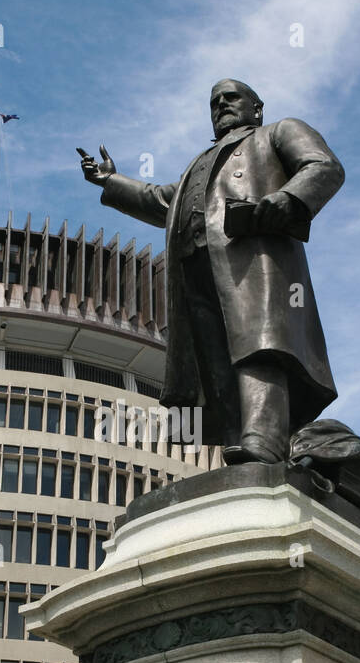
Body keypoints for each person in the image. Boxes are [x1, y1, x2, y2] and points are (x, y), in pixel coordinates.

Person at [79, 78, 344, 463]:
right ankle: (238, 441)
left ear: (257, 107)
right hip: (197, 268)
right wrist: (110, 181)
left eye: (231, 97)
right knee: (213, 356)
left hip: (253, 260)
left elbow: (324, 166)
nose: (221, 104)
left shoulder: (278, 132)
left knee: (259, 344)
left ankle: (265, 439)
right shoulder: (198, 166)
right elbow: (159, 200)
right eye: (214, 101)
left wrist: (285, 200)